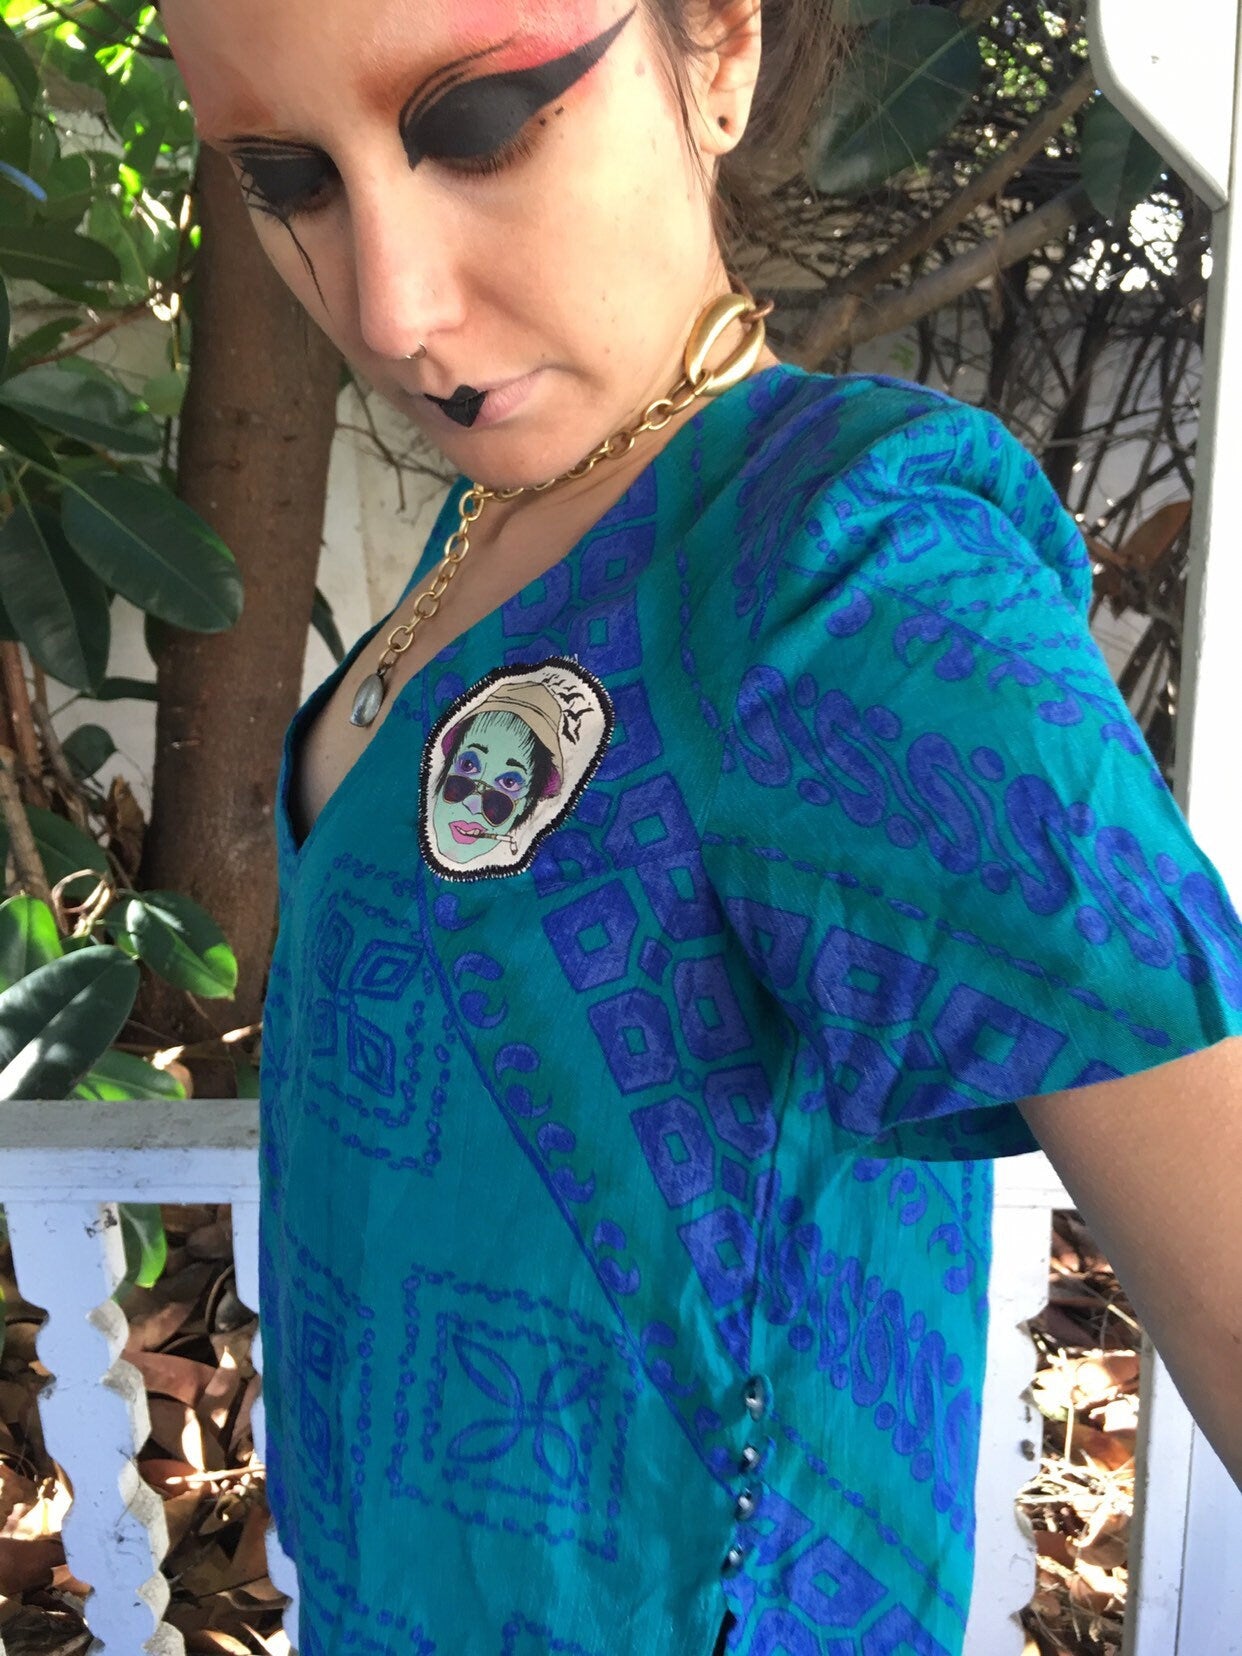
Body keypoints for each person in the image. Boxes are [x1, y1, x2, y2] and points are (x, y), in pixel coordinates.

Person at [160, 2, 1242, 1653]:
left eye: (479, 128)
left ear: (718, 49)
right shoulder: (510, 509)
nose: (389, 307)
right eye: (287, 177)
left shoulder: (846, 579)